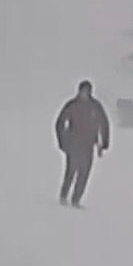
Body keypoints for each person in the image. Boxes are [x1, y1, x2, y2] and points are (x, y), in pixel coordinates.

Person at [54, 80, 110, 208]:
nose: (84, 94)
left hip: (88, 144)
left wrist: (104, 143)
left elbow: (104, 124)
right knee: (71, 170)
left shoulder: (95, 106)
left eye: (87, 91)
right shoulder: (72, 105)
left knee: (84, 172)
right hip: (73, 143)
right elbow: (60, 123)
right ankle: (64, 196)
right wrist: (62, 142)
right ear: (79, 91)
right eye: (82, 91)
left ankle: (76, 200)